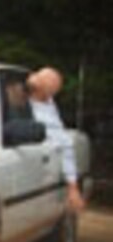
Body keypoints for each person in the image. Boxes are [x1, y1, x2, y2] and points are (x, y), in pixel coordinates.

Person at [26, 67, 86, 212]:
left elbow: (65, 146)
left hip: (42, 169)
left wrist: (72, 188)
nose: (31, 86)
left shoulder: (47, 110)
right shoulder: (21, 93)